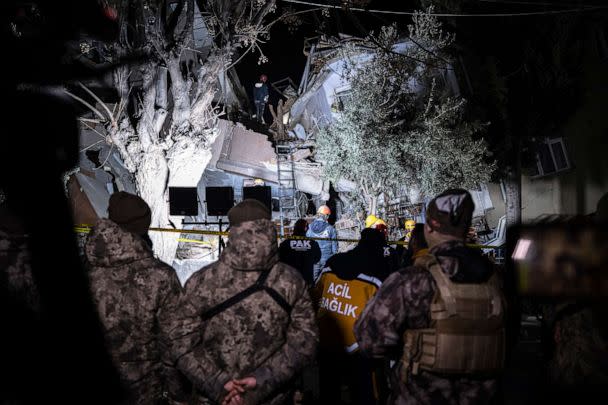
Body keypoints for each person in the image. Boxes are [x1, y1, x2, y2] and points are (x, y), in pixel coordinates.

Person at [354, 189, 506, 405]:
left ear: (429, 227)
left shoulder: (411, 280)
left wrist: (410, 345)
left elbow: (369, 339)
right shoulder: (497, 279)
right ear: (466, 227)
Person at [169, 199, 318, 405]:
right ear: (268, 226)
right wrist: (261, 379)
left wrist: (219, 384)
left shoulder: (201, 281)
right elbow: (304, 341)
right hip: (274, 397)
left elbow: (179, 340)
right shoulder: (290, 281)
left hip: (212, 399)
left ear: (232, 229)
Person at [85, 191, 186, 404]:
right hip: (146, 392)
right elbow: (176, 343)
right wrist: (179, 396)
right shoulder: (160, 276)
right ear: (143, 228)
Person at [313, 228, 386, 405]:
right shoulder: (377, 274)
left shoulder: (333, 262)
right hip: (357, 347)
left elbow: (315, 296)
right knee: (362, 393)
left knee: (328, 391)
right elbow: (384, 315)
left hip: (327, 338)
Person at [279, 218, 321, 287]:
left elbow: (279, 259)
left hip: (290, 282)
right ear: (305, 229)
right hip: (307, 281)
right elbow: (317, 258)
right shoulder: (312, 243)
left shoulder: (286, 243)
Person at [307, 205, 339, 282]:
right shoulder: (331, 229)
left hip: (314, 258)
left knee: (313, 280)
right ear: (325, 216)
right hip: (327, 259)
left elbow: (307, 243)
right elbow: (334, 248)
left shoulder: (310, 227)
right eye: (327, 215)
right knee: (326, 281)